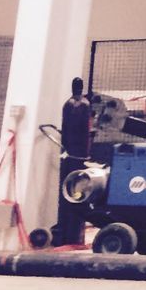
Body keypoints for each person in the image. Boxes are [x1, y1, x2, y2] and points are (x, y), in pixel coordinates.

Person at [54, 77, 94, 246]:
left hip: (71, 153)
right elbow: (85, 129)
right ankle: (73, 235)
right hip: (78, 154)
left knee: (68, 194)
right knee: (75, 194)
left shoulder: (68, 104)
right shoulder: (84, 104)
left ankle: (67, 234)